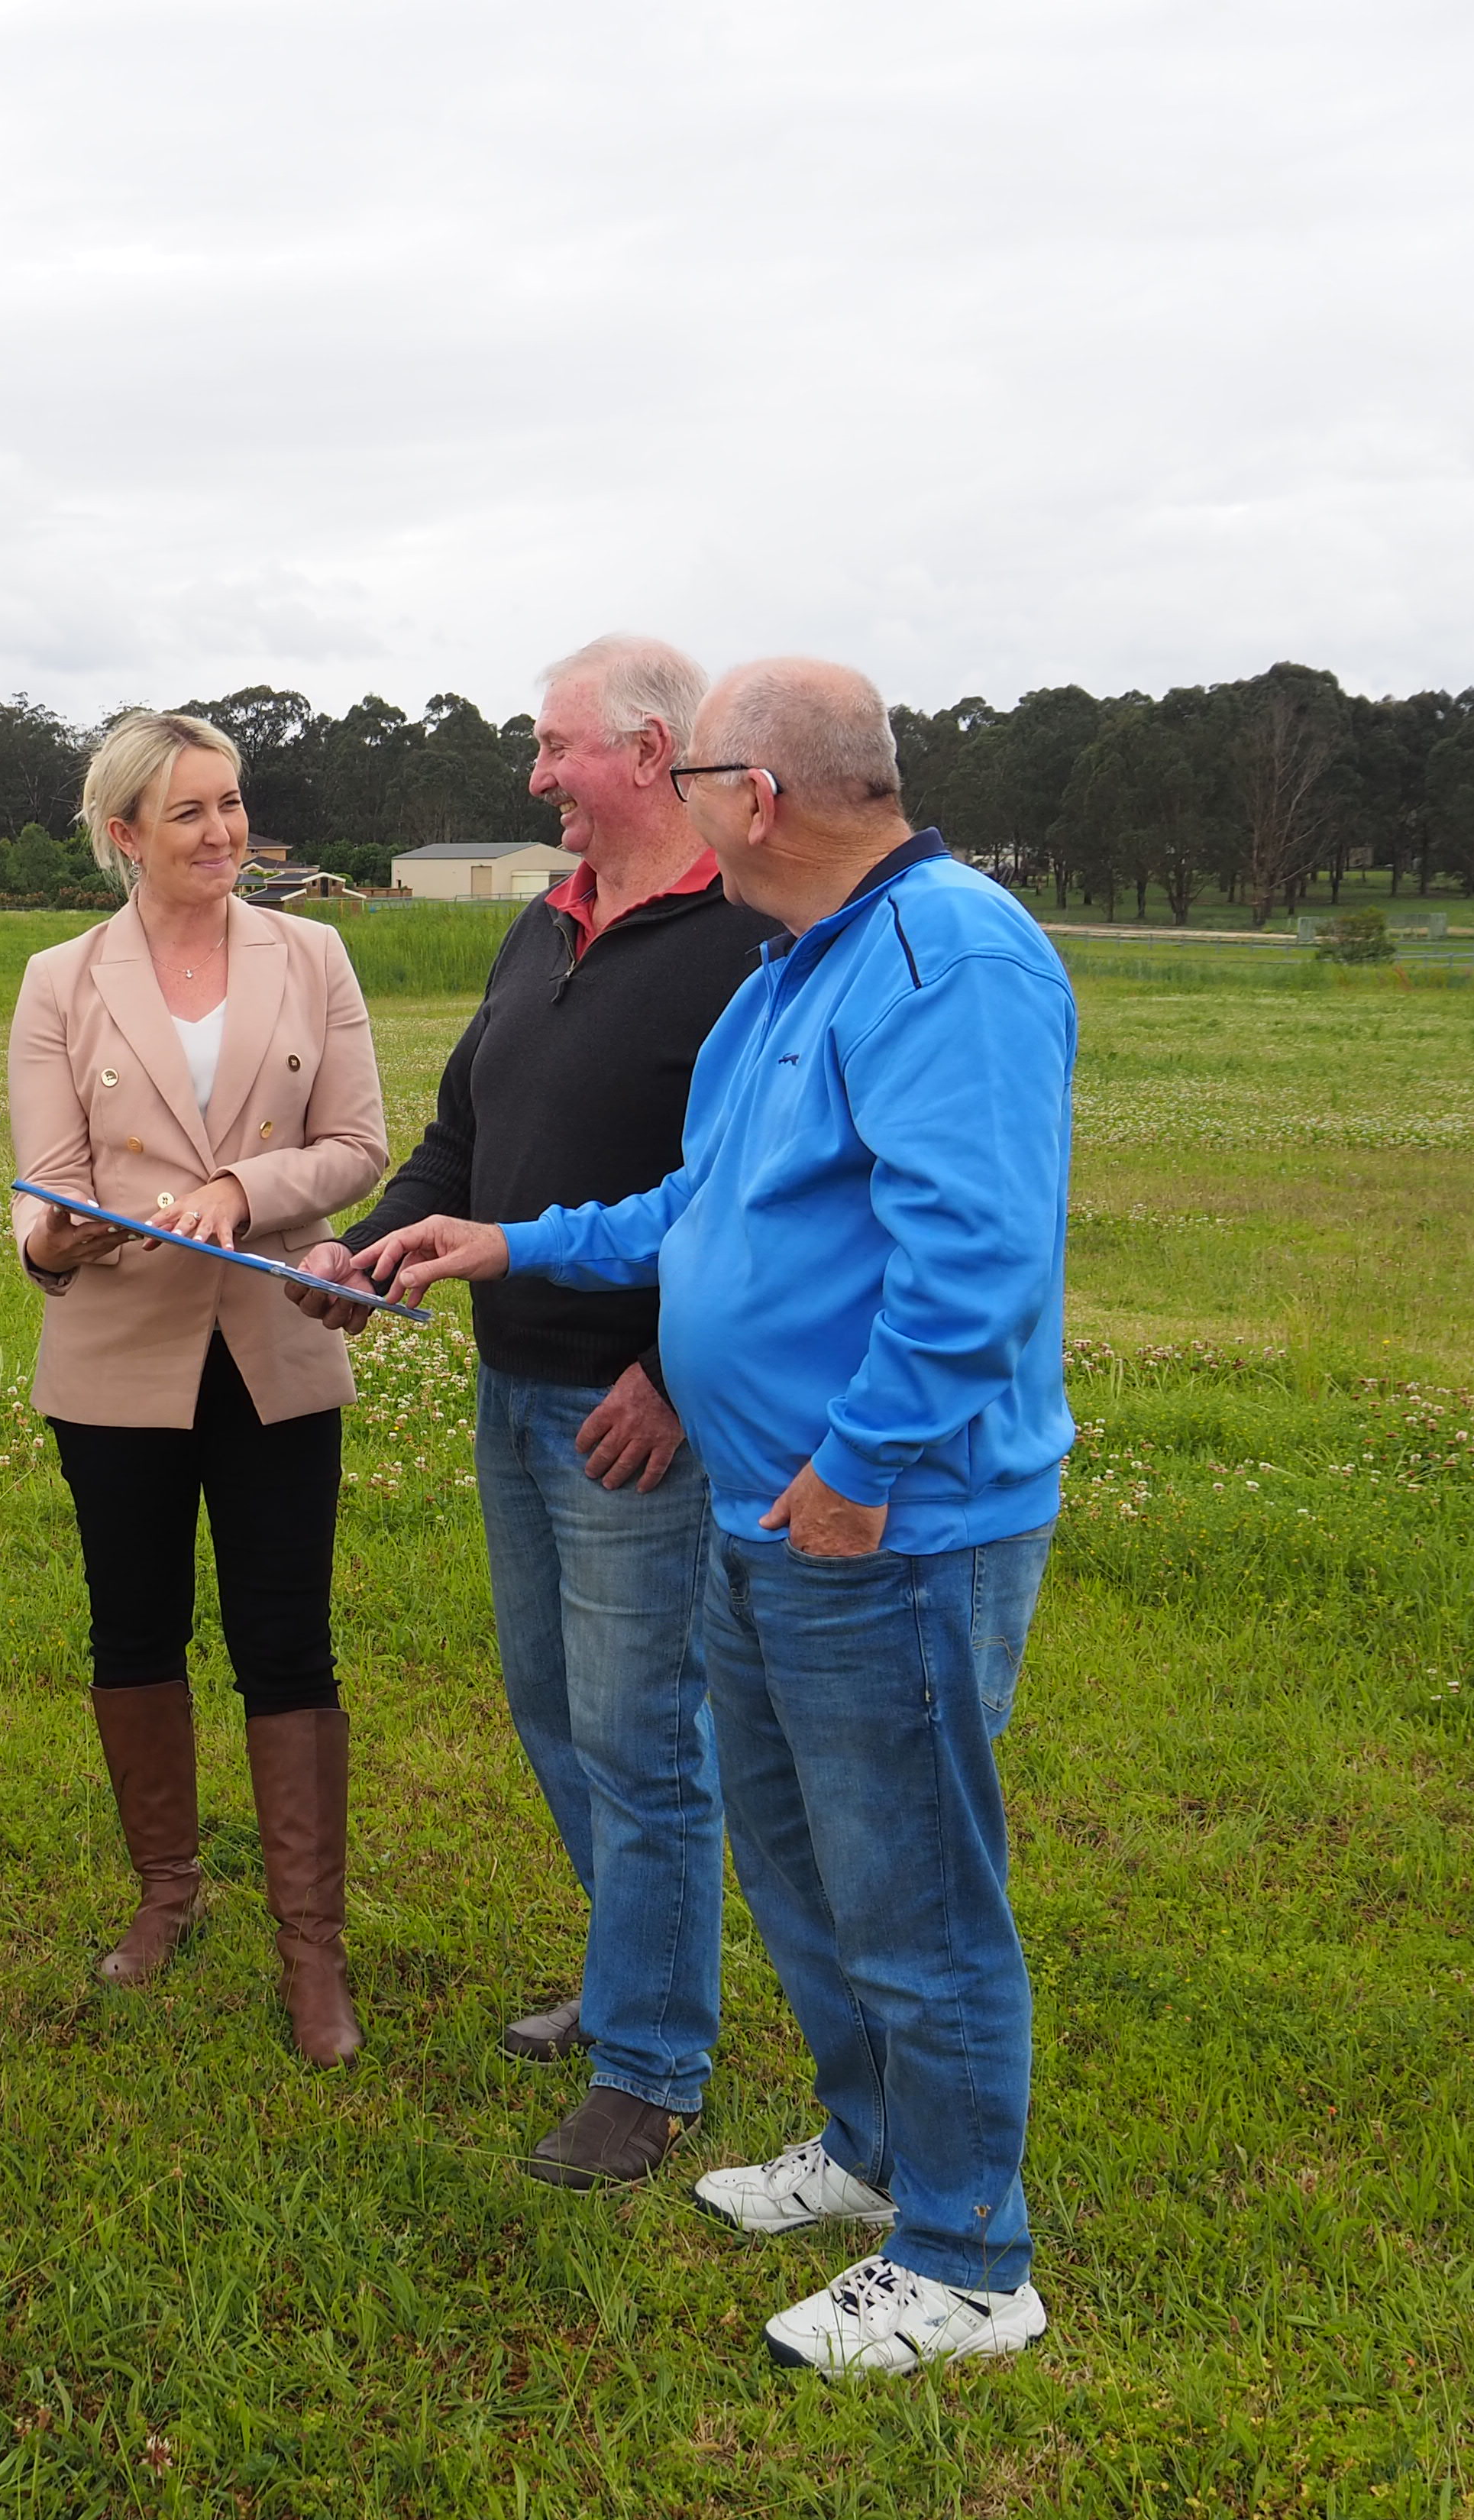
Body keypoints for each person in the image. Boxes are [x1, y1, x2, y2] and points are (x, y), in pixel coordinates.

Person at [364, 658, 1075, 2372]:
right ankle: (866, 2147)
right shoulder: (791, 969)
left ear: (753, 795)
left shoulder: (948, 956)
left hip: (880, 1522)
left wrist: (859, 1473)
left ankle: (972, 2256)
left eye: (696, 789)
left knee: (912, 1883)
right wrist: (513, 1244)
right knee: (805, 1860)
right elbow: (708, 1203)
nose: (672, 815)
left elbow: (974, 1258)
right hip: (762, 1505)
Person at [293, 636, 774, 2181]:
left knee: (643, 1739)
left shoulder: (747, 945)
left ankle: (650, 2067)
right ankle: (640, 1974)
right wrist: (375, 1244)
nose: (533, 777)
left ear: (648, 755)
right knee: (555, 1709)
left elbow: (755, 1208)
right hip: (518, 1388)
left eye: (552, 747)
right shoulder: (546, 925)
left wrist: (675, 1379)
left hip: (638, 1410)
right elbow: (459, 1133)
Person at [11, 712, 388, 2065]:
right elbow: (41, 1190)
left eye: (232, 805)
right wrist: (62, 1237)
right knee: (135, 1632)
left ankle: (312, 1952)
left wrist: (243, 1190)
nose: (225, 833)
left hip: (279, 1351)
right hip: (118, 1359)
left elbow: (357, 1142)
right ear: (124, 836)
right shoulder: (61, 979)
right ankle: (167, 1892)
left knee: (286, 1644)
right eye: (191, 813)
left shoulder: (316, 954)